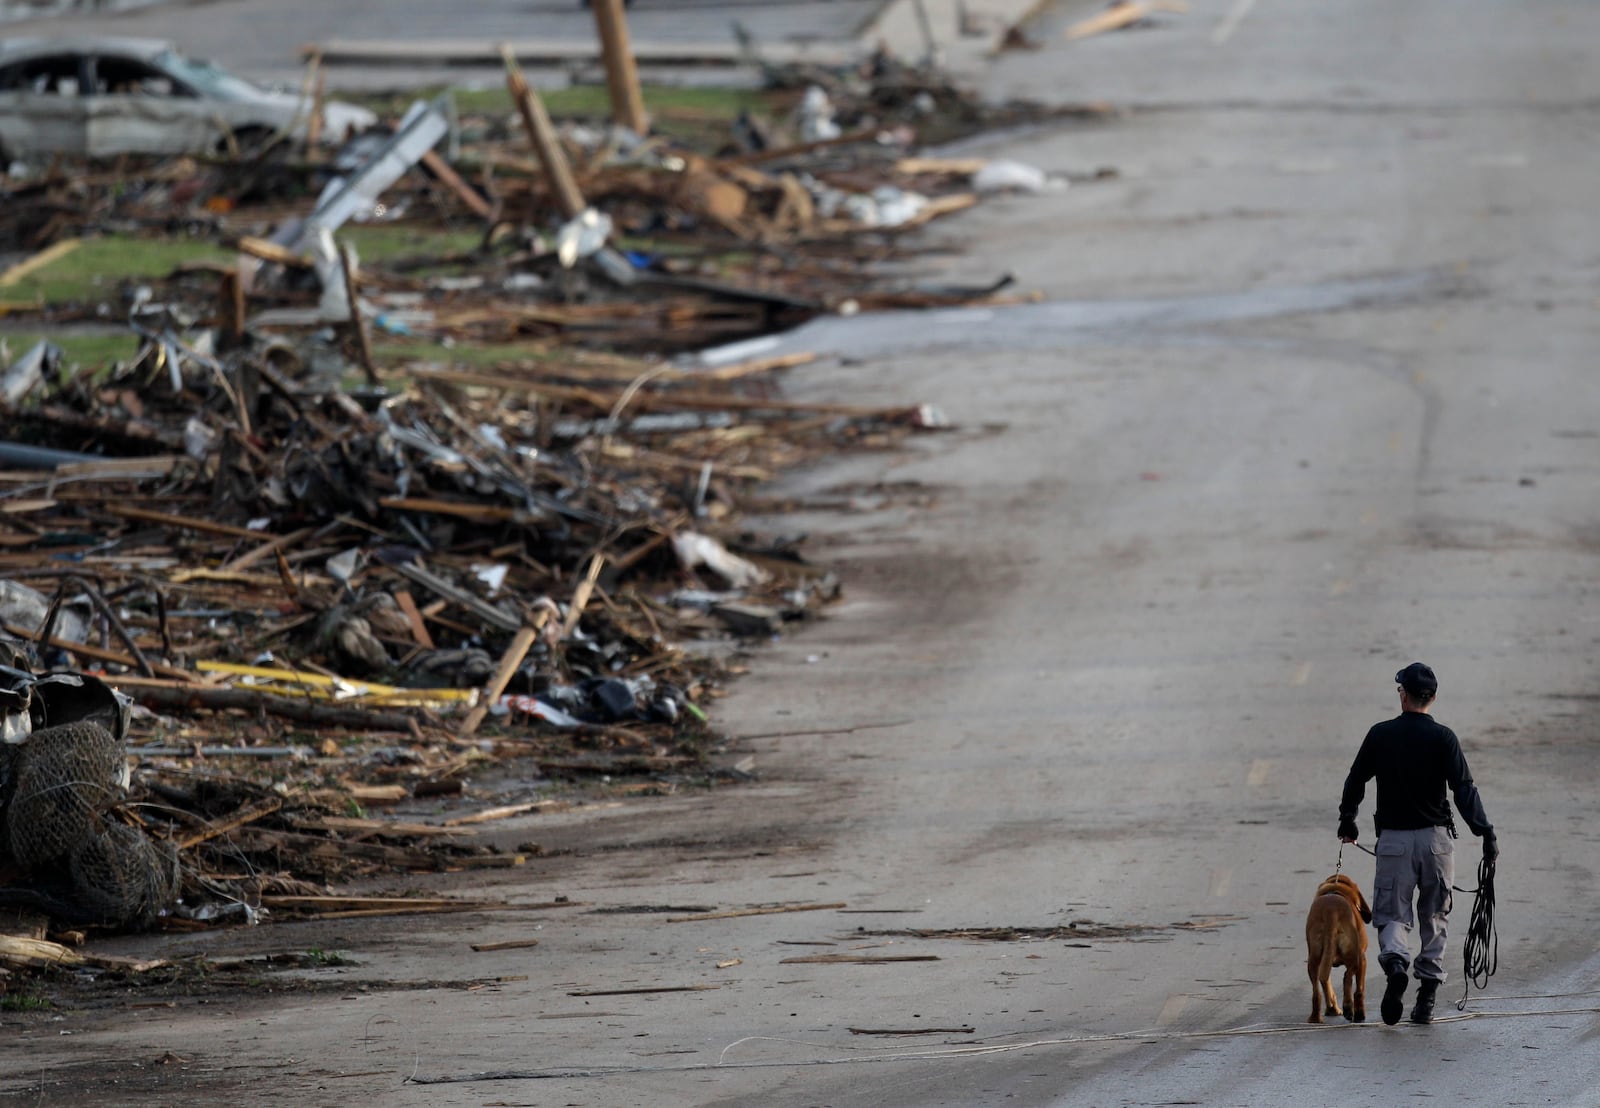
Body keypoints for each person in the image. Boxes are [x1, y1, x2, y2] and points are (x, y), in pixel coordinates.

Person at [1337, 662, 1498, 1025]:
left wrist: (1348, 820)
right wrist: (1485, 832)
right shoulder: (1444, 737)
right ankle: (1426, 997)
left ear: (1403, 695)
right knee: (1435, 915)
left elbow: (1356, 779)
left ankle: (1396, 963)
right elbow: (1463, 790)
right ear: (1433, 697)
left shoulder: (1380, 734)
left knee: (1392, 914)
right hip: (1436, 843)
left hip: (1394, 842)